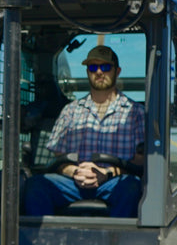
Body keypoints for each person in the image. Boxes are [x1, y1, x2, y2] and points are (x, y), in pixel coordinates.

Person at [22, 44, 145, 217]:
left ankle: (117, 243)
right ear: (87, 72)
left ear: (117, 71)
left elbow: (140, 162)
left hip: (114, 182)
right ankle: (44, 242)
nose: (99, 72)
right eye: (93, 67)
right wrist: (75, 172)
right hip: (73, 183)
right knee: (36, 185)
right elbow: (57, 158)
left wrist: (107, 173)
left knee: (132, 187)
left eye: (105, 67)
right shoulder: (70, 111)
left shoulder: (135, 112)